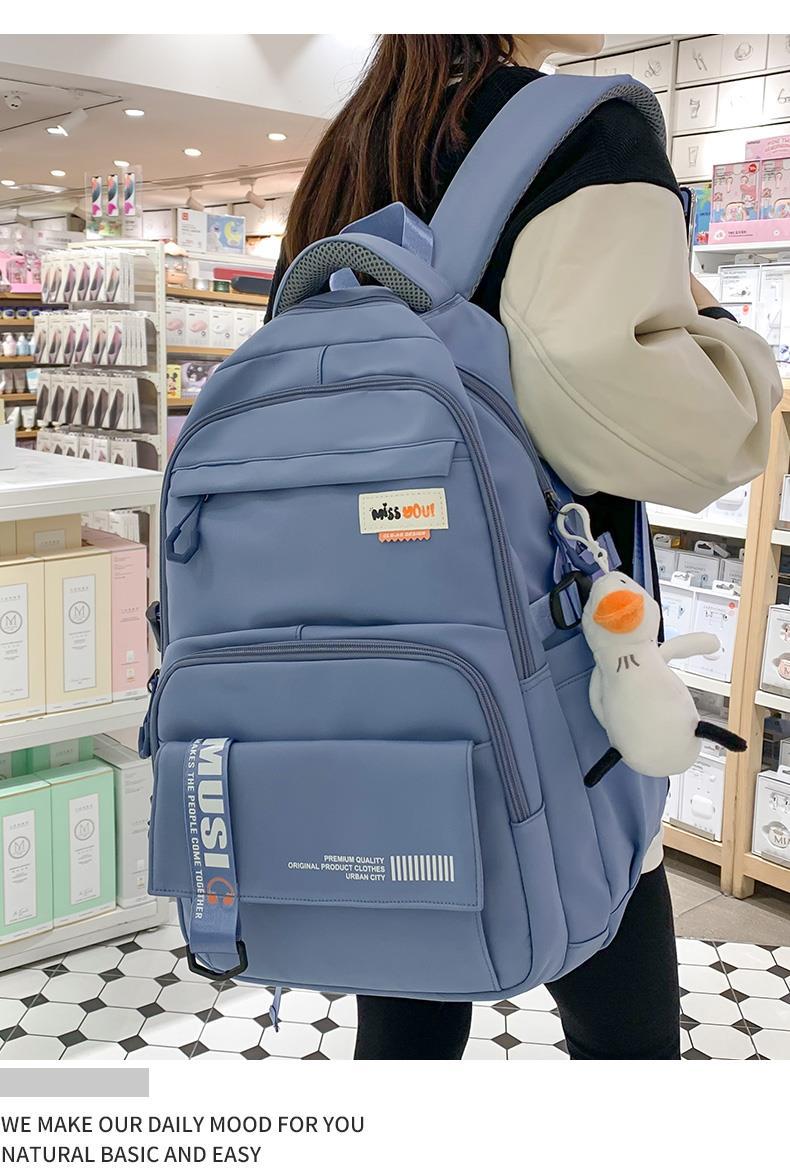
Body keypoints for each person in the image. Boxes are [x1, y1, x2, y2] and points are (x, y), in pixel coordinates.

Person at [265, 34, 782, 1060]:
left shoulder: (355, 145)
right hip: (551, 675)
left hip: (363, 685)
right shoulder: (586, 130)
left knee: (405, 1018)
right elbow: (657, 423)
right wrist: (720, 331)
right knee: (622, 1033)